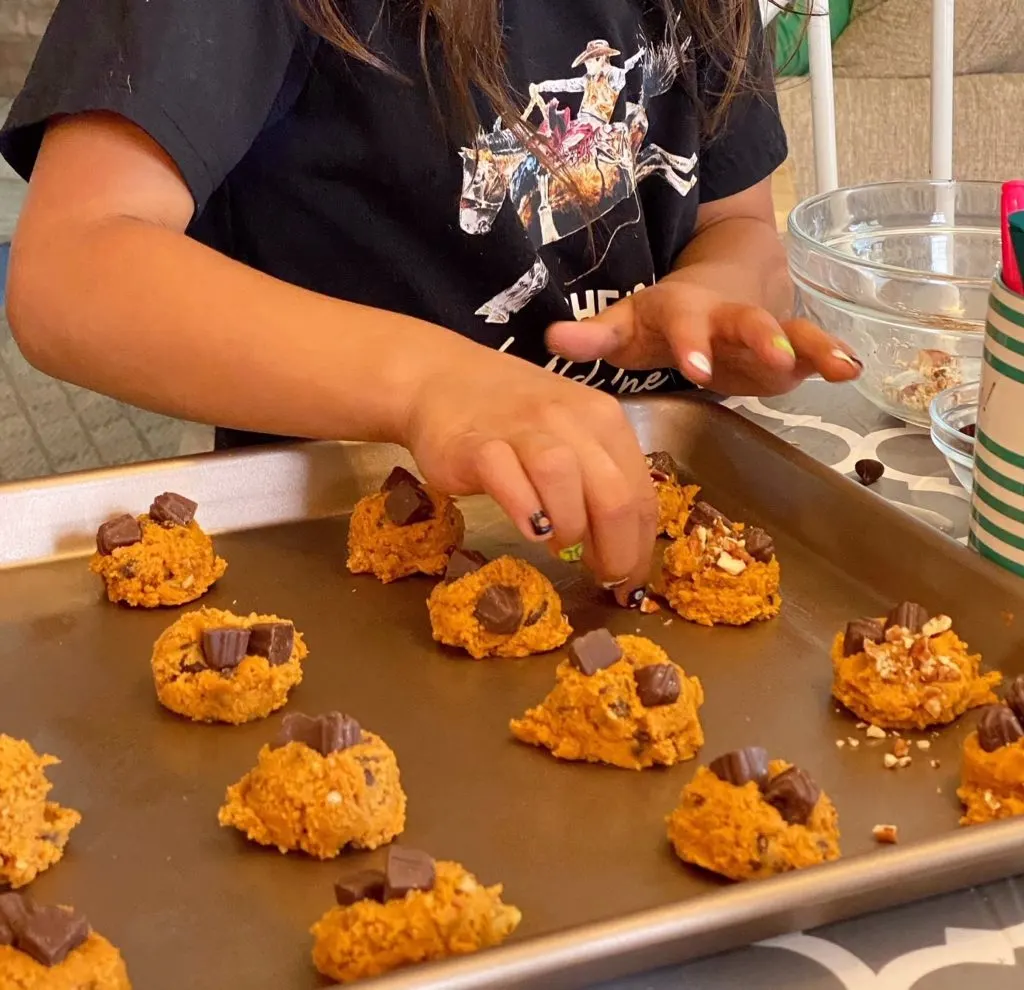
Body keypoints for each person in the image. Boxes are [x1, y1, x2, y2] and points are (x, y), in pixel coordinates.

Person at [0, 0, 860, 607]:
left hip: (642, 533)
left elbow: (741, 224)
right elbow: (71, 271)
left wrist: (715, 293)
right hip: (347, 541)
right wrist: (432, 384)